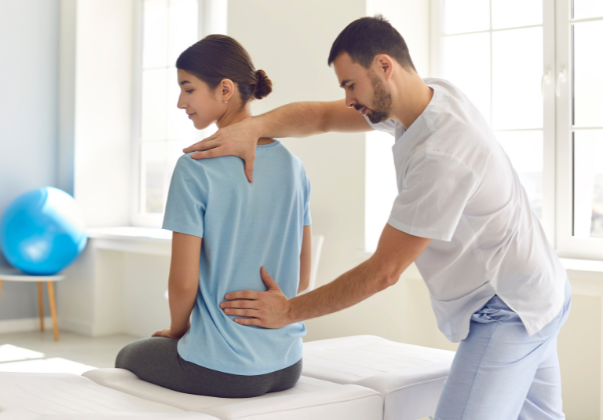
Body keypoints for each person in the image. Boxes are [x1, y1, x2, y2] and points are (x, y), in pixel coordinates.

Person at [187, 16, 571, 420]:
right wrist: (255, 127)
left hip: (509, 305)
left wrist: (288, 311)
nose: (349, 99)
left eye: (351, 84)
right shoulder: (429, 97)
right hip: (540, 284)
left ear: (385, 67)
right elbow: (322, 117)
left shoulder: (442, 153)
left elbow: (384, 271)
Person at [115, 34, 312, 399]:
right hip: (288, 364)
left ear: (225, 90)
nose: (179, 102)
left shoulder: (195, 167)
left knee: (127, 355)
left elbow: (183, 282)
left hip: (223, 370)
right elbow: (303, 270)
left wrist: (176, 330)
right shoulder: (293, 166)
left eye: (188, 89)